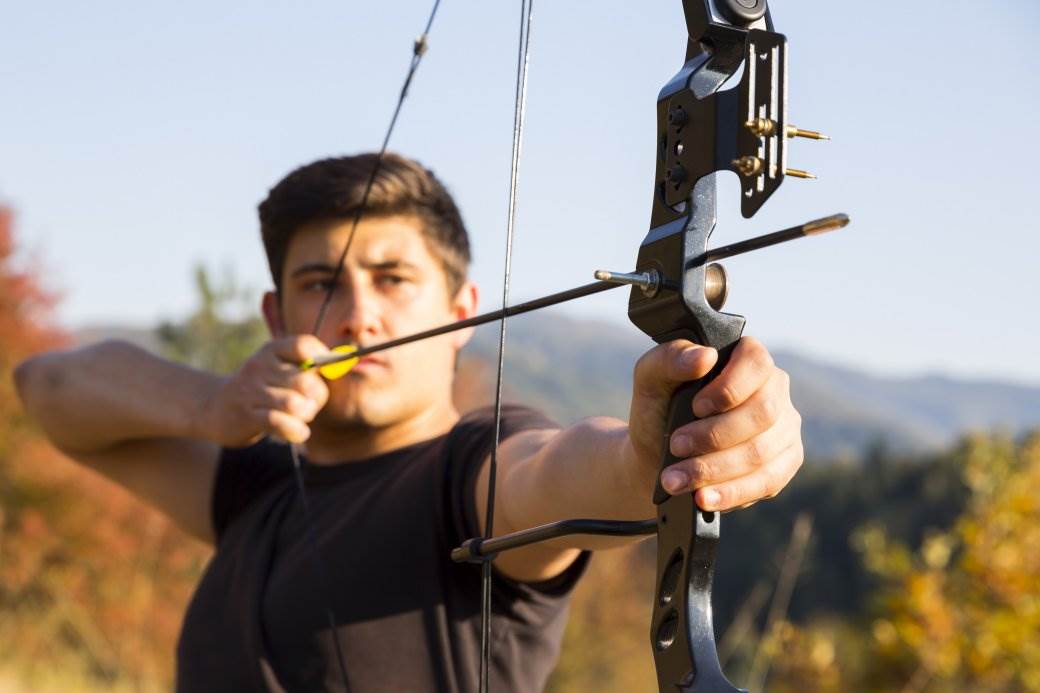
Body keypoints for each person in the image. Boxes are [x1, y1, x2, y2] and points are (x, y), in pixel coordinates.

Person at [13, 153, 804, 692]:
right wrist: (215, 407)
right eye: (321, 283)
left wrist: (654, 451)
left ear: (462, 312)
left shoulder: (467, 475)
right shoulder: (252, 483)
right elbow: (48, 386)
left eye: (393, 278)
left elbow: (562, 471)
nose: (360, 316)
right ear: (276, 314)